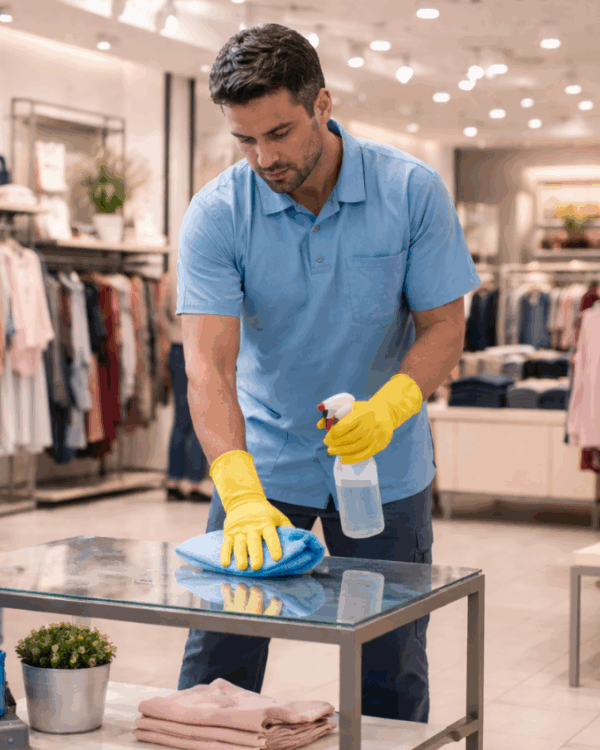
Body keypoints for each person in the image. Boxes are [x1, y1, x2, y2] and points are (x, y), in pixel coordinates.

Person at [174, 24, 480, 723]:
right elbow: (209, 369)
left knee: (389, 663)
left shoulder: (411, 192)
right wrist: (236, 486)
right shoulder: (219, 212)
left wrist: (393, 406)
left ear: (322, 105)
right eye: (245, 140)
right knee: (220, 657)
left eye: (278, 133)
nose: (263, 157)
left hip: (385, 466)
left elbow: (444, 327)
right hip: (265, 466)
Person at [163, 271, 213, 501]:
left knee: (180, 416)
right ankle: (194, 482)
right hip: (199, 348)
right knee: (199, 416)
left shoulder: (170, 276)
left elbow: (160, 315)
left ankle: (173, 480)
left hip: (176, 347)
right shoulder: (203, 273)